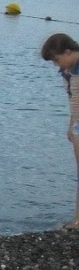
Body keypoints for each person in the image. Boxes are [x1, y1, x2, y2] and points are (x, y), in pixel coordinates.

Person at [41, 32, 79, 229]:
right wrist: (71, 126)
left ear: (68, 51)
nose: (56, 64)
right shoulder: (68, 71)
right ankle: (77, 218)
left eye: (57, 59)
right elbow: (73, 100)